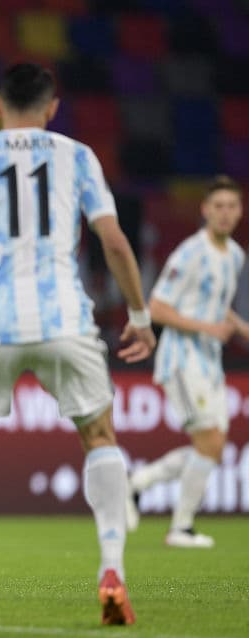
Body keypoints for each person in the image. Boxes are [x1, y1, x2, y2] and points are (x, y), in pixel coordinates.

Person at [0, 64, 156, 626]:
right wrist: (139, 316)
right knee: (99, 435)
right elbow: (114, 241)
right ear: (52, 108)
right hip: (65, 319)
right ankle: (112, 570)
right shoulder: (78, 156)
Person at [127, 176, 245, 548]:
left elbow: (213, 302)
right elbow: (158, 308)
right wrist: (207, 328)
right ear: (205, 210)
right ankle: (180, 528)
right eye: (218, 206)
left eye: (232, 206)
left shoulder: (237, 256)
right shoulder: (189, 253)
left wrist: (240, 327)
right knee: (209, 441)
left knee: (210, 447)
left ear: (240, 211)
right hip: (180, 357)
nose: (225, 213)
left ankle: (135, 484)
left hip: (209, 362)